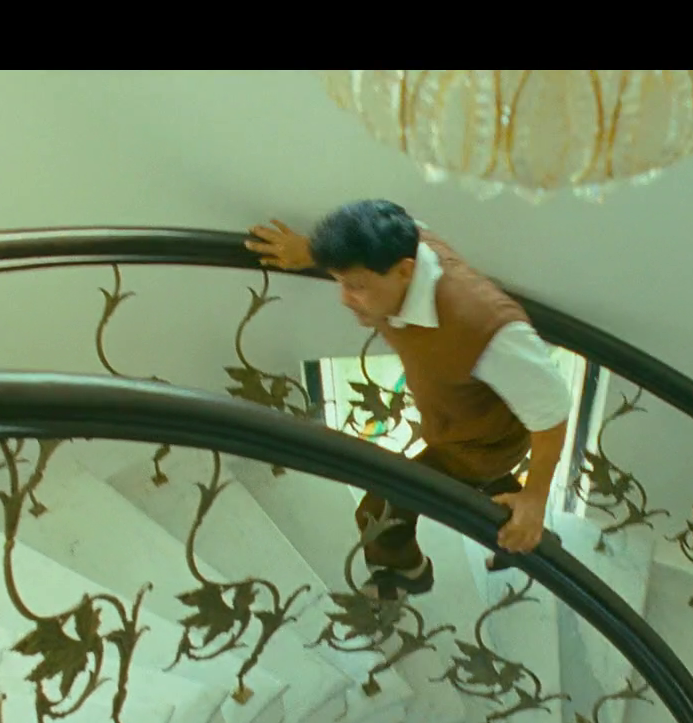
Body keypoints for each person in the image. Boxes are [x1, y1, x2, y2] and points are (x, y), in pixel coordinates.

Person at [246, 201, 574, 599]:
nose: (344, 298)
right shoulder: (403, 248)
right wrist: (310, 252)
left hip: (480, 446)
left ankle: (408, 573)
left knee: (378, 514)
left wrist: (535, 499)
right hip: (451, 425)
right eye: (339, 280)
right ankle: (531, 542)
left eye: (356, 286)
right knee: (484, 491)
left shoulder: (486, 328)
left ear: (404, 271)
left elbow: (552, 409)